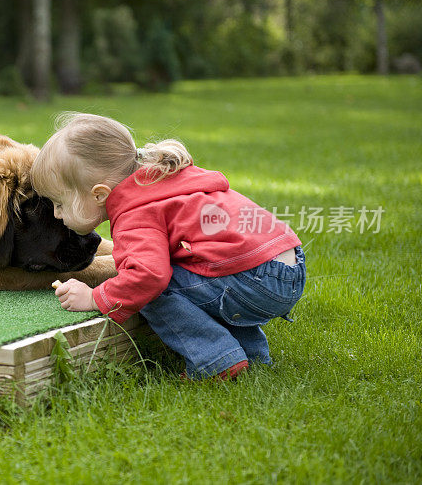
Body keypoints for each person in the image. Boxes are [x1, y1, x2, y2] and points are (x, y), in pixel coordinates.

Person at [31, 113, 306, 380]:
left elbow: (147, 277)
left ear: (99, 194)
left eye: (59, 203)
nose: (56, 214)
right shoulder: (161, 181)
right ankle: (251, 355)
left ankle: (215, 360)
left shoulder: (135, 212)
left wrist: (94, 298)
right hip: (287, 266)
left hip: (253, 278)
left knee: (146, 284)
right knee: (191, 270)